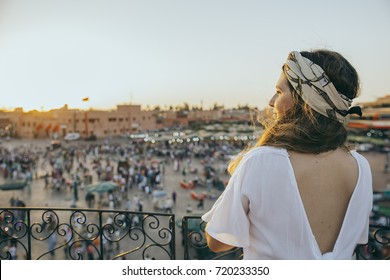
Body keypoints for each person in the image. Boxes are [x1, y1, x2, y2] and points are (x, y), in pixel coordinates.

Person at [202, 50, 373, 260]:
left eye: (279, 92)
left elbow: (218, 242)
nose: (271, 101)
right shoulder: (360, 167)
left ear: (305, 101)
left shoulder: (262, 161)